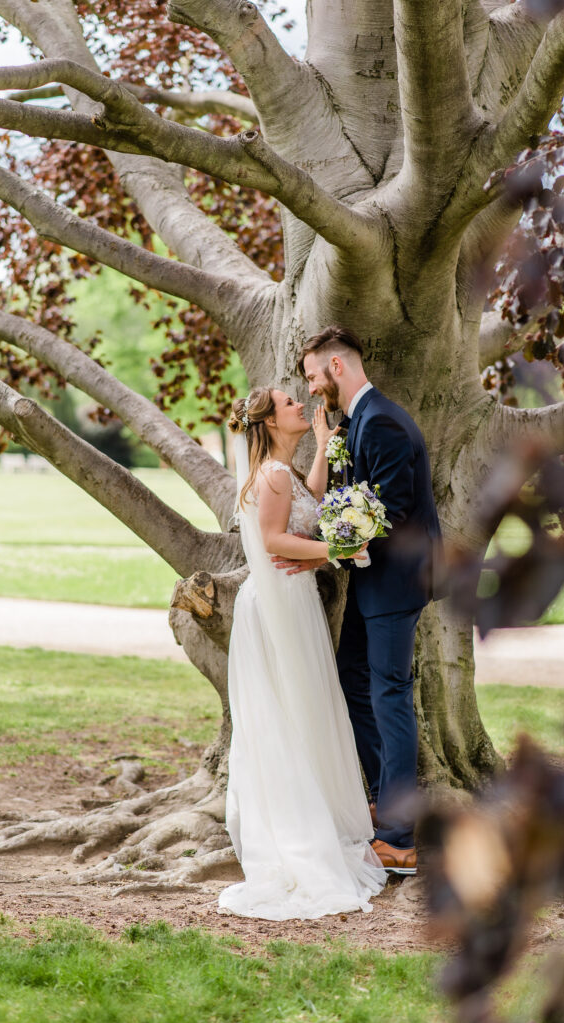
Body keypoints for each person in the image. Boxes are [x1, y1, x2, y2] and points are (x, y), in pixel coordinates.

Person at [275, 325, 442, 876]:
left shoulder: (385, 423)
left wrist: (318, 557)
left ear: (337, 368)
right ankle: (377, 801)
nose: (309, 385)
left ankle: (399, 838)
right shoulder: (355, 423)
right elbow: (350, 503)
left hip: (396, 584)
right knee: (353, 680)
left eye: (312, 374)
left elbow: (389, 517)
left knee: (391, 696)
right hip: (371, 582)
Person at [219, 386, 386, 920]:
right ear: (268, 422)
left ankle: (315, 820)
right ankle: (295, 833)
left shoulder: (281, 472)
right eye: (289, 403)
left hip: (292, 602)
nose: (300, 404)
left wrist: (318, 448)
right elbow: (274, 539)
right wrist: (338, 550)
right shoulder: (269, 475)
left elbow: (307, 507)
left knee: (302, 710)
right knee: (288, 714)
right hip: (274, 609)